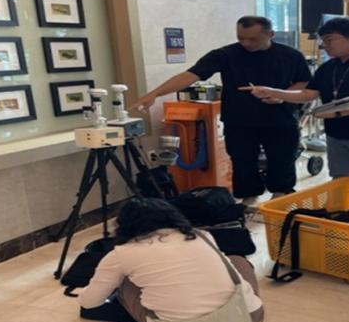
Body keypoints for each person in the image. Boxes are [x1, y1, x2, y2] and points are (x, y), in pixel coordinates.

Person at [129, 16, 312, 204]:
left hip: (280, 118)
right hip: (239, 120)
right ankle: (249, 199)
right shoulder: (226, 54)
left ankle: (280, 197)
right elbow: (190, 75)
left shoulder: (291, 55)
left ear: (270, 34)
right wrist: (155, 93)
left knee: (282, 159)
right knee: (241, 161)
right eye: (241, 38)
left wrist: (281, 96)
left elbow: (304, 82)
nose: (245, 43)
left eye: (253, 39)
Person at [78, 197, 264, 322]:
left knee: (126, 283)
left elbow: (89, 302)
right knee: (237, 260)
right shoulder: (201, 235)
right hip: (250, 318)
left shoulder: (121, 254)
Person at [241, 17, 349, 180]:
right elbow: (307, 94)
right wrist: (273, 92)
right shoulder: (328, 67)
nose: (323, 45)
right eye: (323, 40)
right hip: (337, 134)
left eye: (329, 40)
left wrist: (337, 113)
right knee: (340, 179)